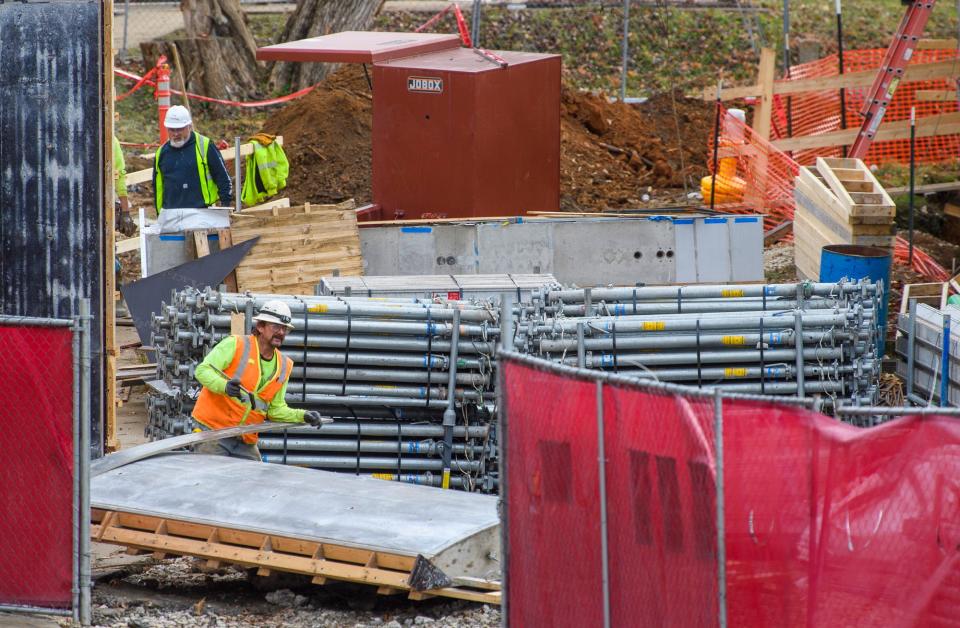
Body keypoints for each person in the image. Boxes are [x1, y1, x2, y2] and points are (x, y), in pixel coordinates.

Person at [191, 300, 325, 460]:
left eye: (284, 329)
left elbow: (276, 410)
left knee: (256, 481)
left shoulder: (284, 366)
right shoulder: (236, 344)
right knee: (212, 482)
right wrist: (225, 386)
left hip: (245, 439)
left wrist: (303, 416)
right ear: (260, 327)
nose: (281, 332)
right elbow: (202, 370)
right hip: (213, 433)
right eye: (276, 327)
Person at [152, 105, 233, 213]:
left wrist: (225, 206)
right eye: (172, 129)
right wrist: (160, 216)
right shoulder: (161, 153)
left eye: (180, 129)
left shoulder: (204, 146)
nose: (176, 134)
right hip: (171, 215)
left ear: (189, 126)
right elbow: (158, 188)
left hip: (203, 212)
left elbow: (223, 178)